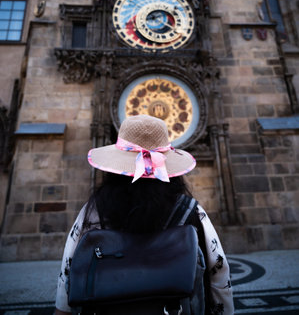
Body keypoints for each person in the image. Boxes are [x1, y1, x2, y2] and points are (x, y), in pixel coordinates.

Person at [54, 114, 234, 315]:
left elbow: (68, 270)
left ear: (116, 168)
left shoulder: (94, 210)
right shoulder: (191, 211)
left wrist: (62, 311)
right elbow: (218, 271)